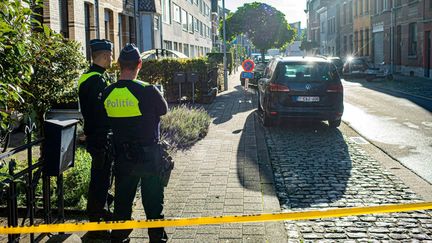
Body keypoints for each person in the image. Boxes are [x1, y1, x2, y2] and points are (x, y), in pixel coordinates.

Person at [102, 43, 168, 243]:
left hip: (122, 157)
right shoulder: (148, 90)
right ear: (139, 64)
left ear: (118, 65)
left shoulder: (107, 93)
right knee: (153, 203)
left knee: (122, 201)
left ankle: (119, 237)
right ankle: (156, 238)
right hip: (149, 157)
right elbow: (163, 111)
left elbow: (105, 120)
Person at [78, 39, 114, 238]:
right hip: (100, 137)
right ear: (105, 56)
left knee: (101, 178)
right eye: (110, 56)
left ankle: (101, 212)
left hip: (96, 136)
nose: (111, 59)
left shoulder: (90, 76)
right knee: (100, 180)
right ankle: (96, 222)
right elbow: (102, 112)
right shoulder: (96, 80)